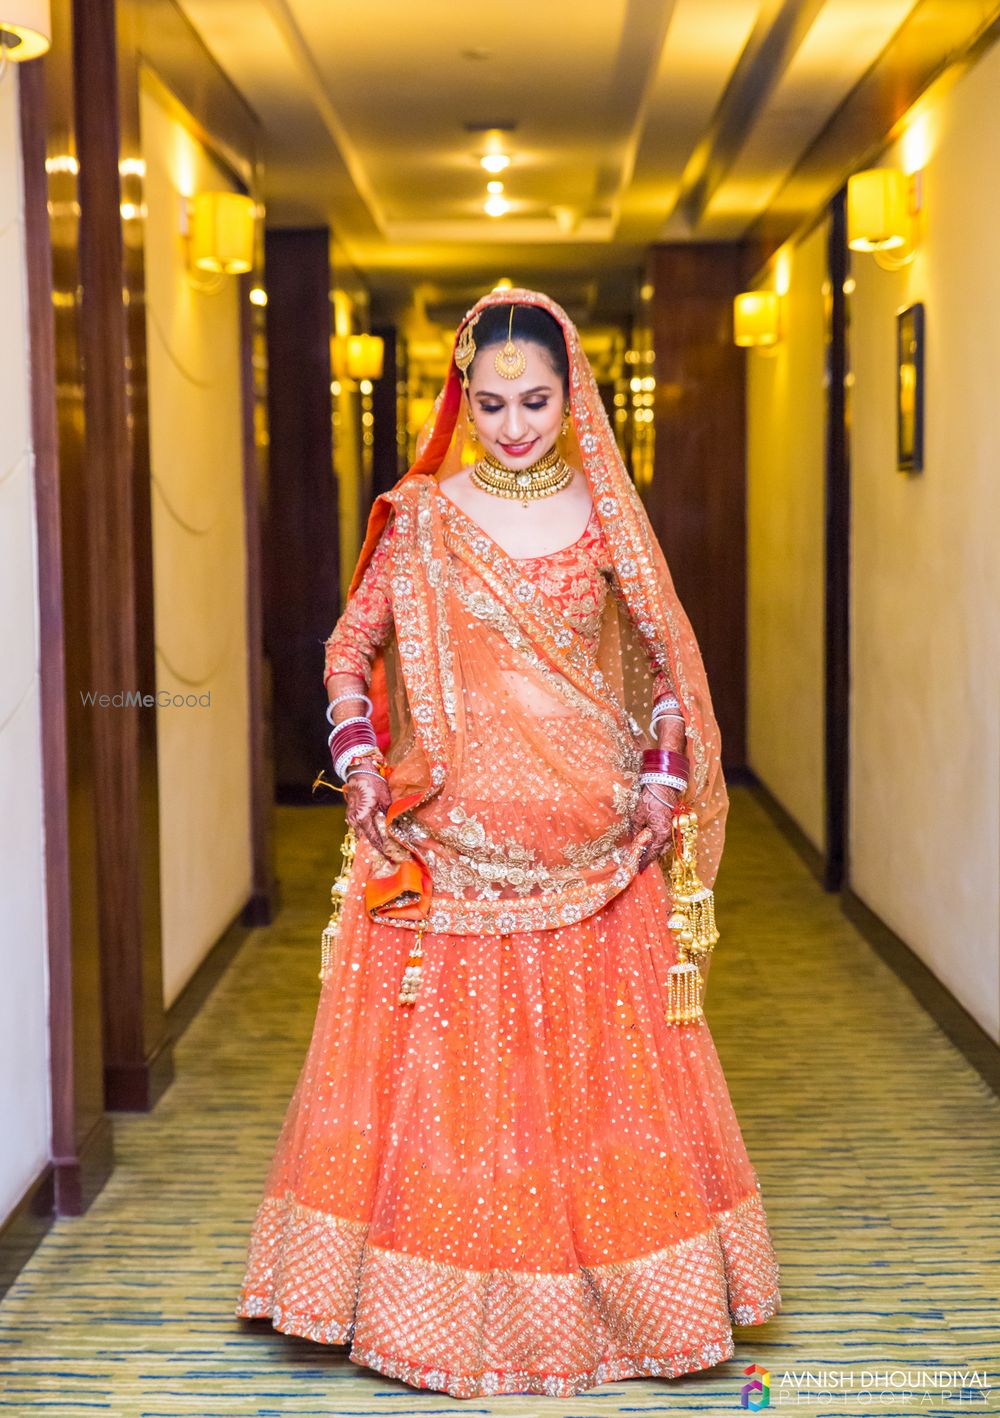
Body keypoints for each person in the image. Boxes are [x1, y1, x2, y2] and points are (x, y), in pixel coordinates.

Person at [234, 288, 781, 1398]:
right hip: (452, 849)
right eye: (490, 404)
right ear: (462, 399)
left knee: (594, 1087)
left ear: (570, 393)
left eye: (535, 401)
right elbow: (350, 649)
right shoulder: (425, 516)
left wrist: (662, 776)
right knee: (458, 1086)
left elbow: (667, 674)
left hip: (593, 848)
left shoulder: (605, 516)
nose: (516, 424)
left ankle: (625, 1302)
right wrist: (358, 760)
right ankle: (426, 1308)